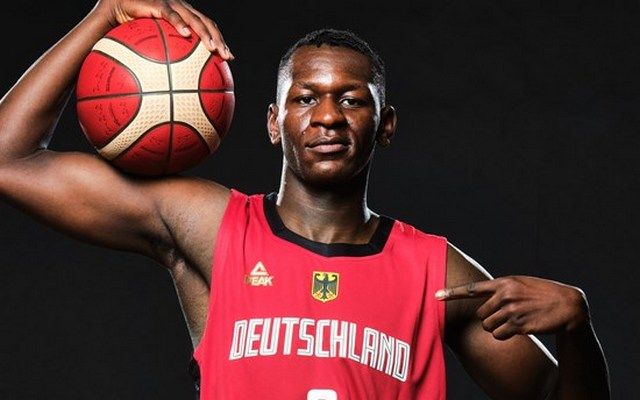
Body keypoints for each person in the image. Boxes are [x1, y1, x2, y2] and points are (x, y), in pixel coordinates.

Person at [0, 0, 610, 398]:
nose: (327, 116)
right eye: (305, 98)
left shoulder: (437, 274)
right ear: (274, 122)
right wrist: (104, 14)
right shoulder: (210, 227)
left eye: (352, 99)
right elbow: (10, 159)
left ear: (385, 125)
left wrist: (577, 329)